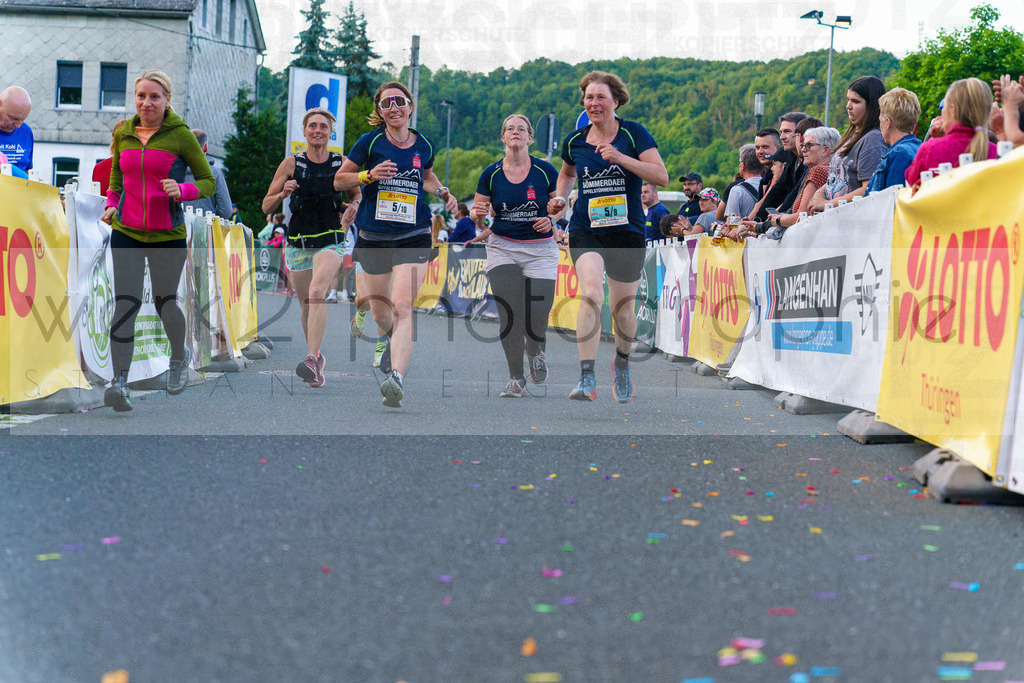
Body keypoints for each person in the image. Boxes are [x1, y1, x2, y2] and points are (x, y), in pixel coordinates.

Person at [333, 81, 457, 408]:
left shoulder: (424, 144)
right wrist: (368, 175)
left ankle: (397, 378)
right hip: (374, 236)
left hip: (414, 234)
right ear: (380, 111)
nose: (394, 108)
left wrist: (441, 190)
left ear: (410, 106)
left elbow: (426, 176)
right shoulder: (369, 142)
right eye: (386, 103)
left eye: (399, 101)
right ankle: (390, 340)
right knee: (381, 314)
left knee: (402, 306)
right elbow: (340, 179)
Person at [99, 70, 215, 412]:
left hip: (167, 233)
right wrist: (112, 202)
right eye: (141, 96)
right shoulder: (124, 132)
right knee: (126, 304)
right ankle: (119, 382)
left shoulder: (180, 135)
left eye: (154, 97)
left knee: (166, 303)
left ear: (167, 100)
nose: (146, 103)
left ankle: (178, 357)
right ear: (134, 98)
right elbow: (117, 174)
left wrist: (183, 189)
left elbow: (207, 180)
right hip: (127, 230)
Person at [551, 70, 668, 403]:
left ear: (616, 101)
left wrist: (620, 157)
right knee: (590, 293)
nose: (594, 103)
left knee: (623, 310)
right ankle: (586, 376)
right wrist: (560, 198)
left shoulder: (633, 134)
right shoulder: (575, 141)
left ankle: (622, 362)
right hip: (586, 228)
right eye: (588, 97)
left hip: (627, 231)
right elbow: (567, 173)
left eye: (601, 97)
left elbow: (661, 175)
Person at [261, 107, 360, 389]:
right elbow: (266, 205)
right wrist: (283, 193)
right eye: (313, 126)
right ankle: (316, 357)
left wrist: (354, 204)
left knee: (318, 293)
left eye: (323, 126)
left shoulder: (341, 163)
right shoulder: (291, 163)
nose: (318, 130)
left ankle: (310, 359)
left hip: (331, 237)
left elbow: (356, 192)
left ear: (331, 133)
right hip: (299, 241)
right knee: (306, 304)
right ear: (304, 131)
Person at [467, 114, 560, 398]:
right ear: (503, 137)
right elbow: (478, 214)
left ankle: (536, 349)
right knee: (510, 313)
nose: (515, 132)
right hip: (503, 246)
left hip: (540, 249)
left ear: (530, 137)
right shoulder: (491, 174)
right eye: (510, 128)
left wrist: (551, 219)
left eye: (521, 129)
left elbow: (559, 205)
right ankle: (516, 378)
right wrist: (477, 214)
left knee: (537, 315)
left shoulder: (545, 170)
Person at [744, 126, 841, 239]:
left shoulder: (818, 171)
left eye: (808, 145)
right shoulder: (834, 170)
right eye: (803, 145)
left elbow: (802, 216)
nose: (803, 150)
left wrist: (777, 220)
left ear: (825, 150)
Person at [811, 76, 888, 211]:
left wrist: (827, 204)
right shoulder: (852, 136)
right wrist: (820, 193)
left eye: (855, 101)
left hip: (853, 217)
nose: (848, 106)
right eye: (848, 100)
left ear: (872, 106)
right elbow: (840, 177)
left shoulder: (873, 140)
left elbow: (869, 189)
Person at [905, 77, 998, 188]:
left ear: (952, 109)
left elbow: (910, 178)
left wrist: (934, 140)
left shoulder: (930, 149)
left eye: (944, 107)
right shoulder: (996, 152)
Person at [865, 88, 922, 195]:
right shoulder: (919, 148)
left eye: (880, 119)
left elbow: (892, 200)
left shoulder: (899, 155)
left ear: (888, 123)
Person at [184, 128, 233, 219]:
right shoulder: (215, 174)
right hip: (206, 225)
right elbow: (226, 211)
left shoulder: (173, 172)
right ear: (205, 147)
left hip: (178, 226)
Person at [0, 86, 33, 173]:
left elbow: (27, 170)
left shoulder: (26, 132)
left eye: (23, 119)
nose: (18, 126)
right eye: (13, 118)